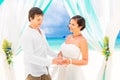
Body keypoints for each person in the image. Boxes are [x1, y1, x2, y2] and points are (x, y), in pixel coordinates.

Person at [21, 7, 62, 80]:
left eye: (42, 19)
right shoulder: (27, 34)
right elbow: (30, 57)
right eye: (38, 20)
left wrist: (57, 55)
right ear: (31, 18)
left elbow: (47, 49)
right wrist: (51, 61)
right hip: (33, 73)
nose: (40, 22)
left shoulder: (41, 31)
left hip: (44, 69)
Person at [56, 15, 88, 80]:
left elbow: (85, 61)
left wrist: (70, 61)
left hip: (73, 72)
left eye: (73, 24)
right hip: (62, 70)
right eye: (70, 23)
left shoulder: (82, 40)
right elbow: (62, 52)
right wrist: (59, 56)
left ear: (80, 27)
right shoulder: (68, 37)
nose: (70, 26)